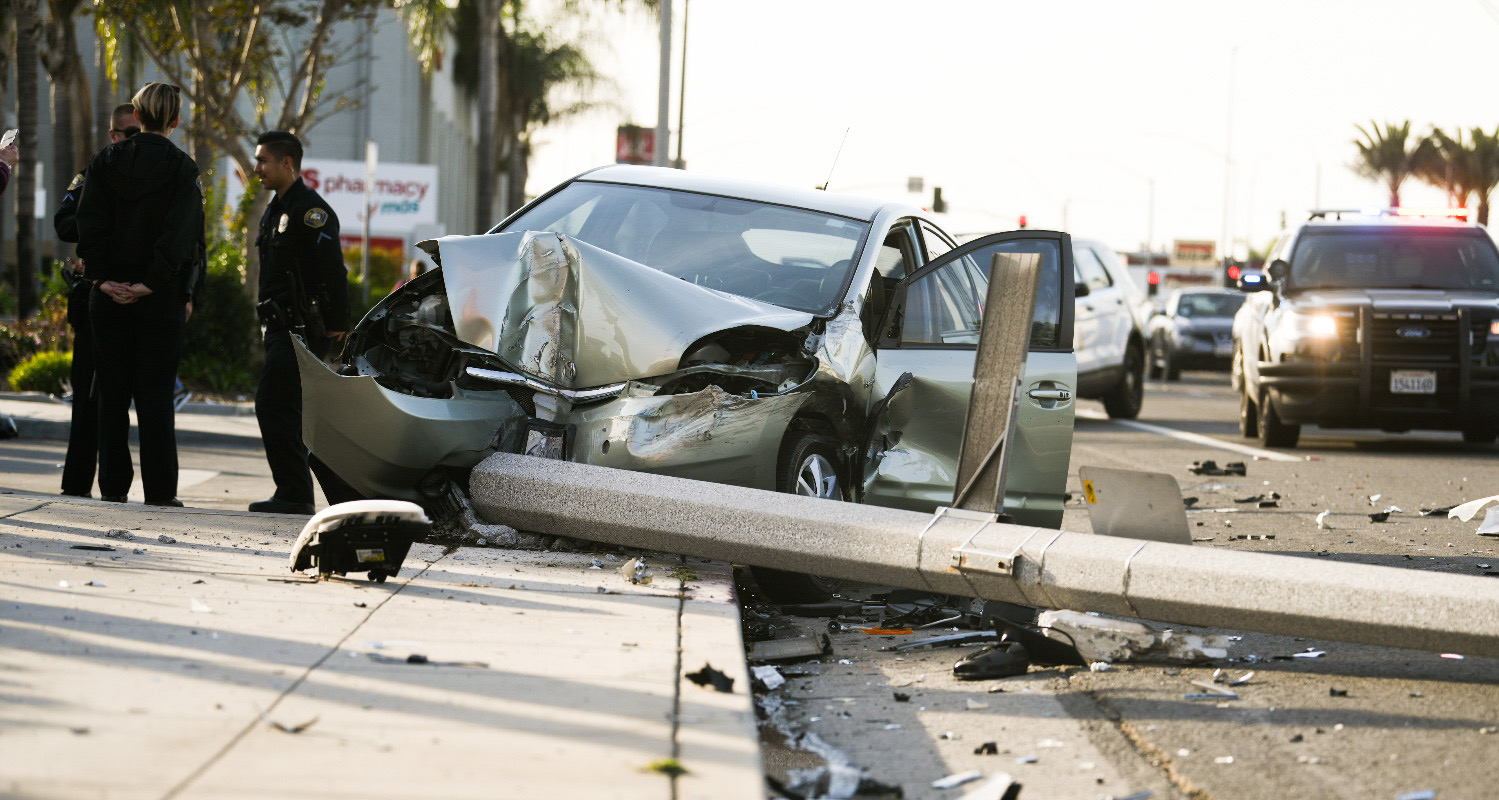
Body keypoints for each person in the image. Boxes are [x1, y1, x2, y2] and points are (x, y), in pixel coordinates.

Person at [74, 83, 202, 507]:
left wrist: (103, 279)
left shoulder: (105, 161)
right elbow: (181, 236)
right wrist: (152, 282)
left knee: (111, 393)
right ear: (175, 120)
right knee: (156, 396)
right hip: (159, 298)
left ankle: (113, 486)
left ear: (138, 115)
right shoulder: (182, 169)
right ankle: (160, 491)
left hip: (107, 296)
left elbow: (89, 225)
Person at [249, 130, 350, 515]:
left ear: (286, 163)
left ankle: (294, 492)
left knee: (274, 405)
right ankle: (293, 491)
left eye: (263, 161)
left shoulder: (312, 211)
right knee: (283, 407)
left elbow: (333, 271)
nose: (257, 168)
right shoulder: (276, 210)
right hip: (277, 327)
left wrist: (338, 325)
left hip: (302, 328)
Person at [52, 103, 142, 498]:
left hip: (139, 298)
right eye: (128, 134)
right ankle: (76, 486)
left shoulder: (155, 175)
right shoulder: (95, 173)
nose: (134, 142)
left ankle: (117, 487)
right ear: (113, 136)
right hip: (96, 294)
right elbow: (65, 220)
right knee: (88, 399)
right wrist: (100, 232)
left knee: (125, 401)